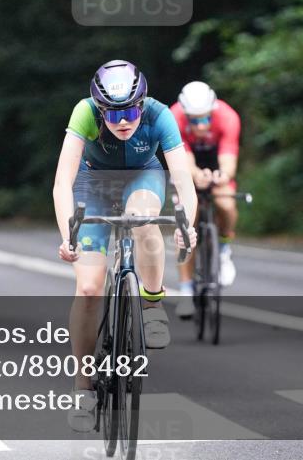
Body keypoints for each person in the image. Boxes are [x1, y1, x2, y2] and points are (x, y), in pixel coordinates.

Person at [54, 60, 197, 432]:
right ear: (100, 109)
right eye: (113, 114)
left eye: (131, 112)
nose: (123, 122)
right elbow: (62, 182)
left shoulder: (160, 115)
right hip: (92, 184)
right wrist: (68, 235)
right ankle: (83, 387)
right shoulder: (84, 112)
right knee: (88, 288)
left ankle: (151, 304)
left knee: (143, 218)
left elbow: (184, 181)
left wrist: (186, 225)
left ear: (142, 104)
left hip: (142, 177)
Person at [170, 81, 242, 318]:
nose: (201, 125)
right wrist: (195, 175)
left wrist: (222, 176)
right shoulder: (174, 117)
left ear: (213, 110)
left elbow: (229, 160)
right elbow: (183, 158)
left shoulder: (228, 117)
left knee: (226, 204)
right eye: (195, 120)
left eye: (206, 118)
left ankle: (224, 248)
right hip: (186, 166)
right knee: (185, 224)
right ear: (185, 115)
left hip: (216, 163)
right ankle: (186, 289)